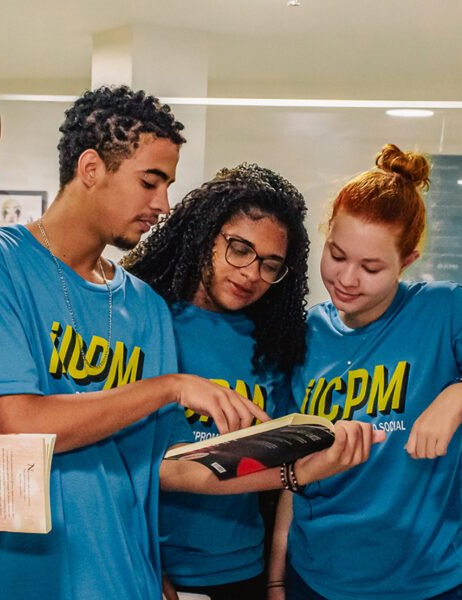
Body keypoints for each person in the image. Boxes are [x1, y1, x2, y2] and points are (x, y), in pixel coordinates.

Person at [0, 85, 381, 600]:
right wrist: (171, 387)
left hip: (129, 579)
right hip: (18, 576)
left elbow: (172, 467)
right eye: (150, 182)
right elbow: (20, 424)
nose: (164, 204)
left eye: (167, 185)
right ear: (90, 168)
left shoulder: (144, 306)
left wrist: (298, 471)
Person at [270, 144, 462, 600]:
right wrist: (277, 575)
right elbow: (295, 470)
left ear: (407, 261)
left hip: (428, 583)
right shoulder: (307, 332)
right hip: (315, 577)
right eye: (337, 254)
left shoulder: (447, 312)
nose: (347, 278)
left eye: (371, 267)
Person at [122, 163, 311, 599]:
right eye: (239, 249)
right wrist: (146, 563)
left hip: (242, 569)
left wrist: (274, 577)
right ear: (205, 234)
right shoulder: (144, 318)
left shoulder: (274, 343)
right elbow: (118, 463)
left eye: (271, 264)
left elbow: (276, 465)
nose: (251, 273)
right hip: (148, 565)